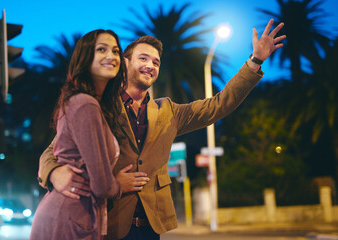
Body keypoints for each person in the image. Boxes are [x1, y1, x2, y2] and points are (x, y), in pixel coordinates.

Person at [38, 19, 286, 240]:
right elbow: (55, 149)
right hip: (109, 225)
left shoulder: (169, 111)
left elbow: (218, 105)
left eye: (155, 62)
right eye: (143, 58)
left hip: (150, 227)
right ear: (124, 62)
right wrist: (53, 173)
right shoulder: (100, 106)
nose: (150, 65)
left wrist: (255, 61)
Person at [30, 29, 149, 240]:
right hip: (69, 217)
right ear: (85, 59)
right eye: (101, 50)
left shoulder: (95, 104)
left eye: (114, 51)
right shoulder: (85, 104)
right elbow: (101, 185)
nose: (111, 56)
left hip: (82, 217)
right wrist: (118, 184)